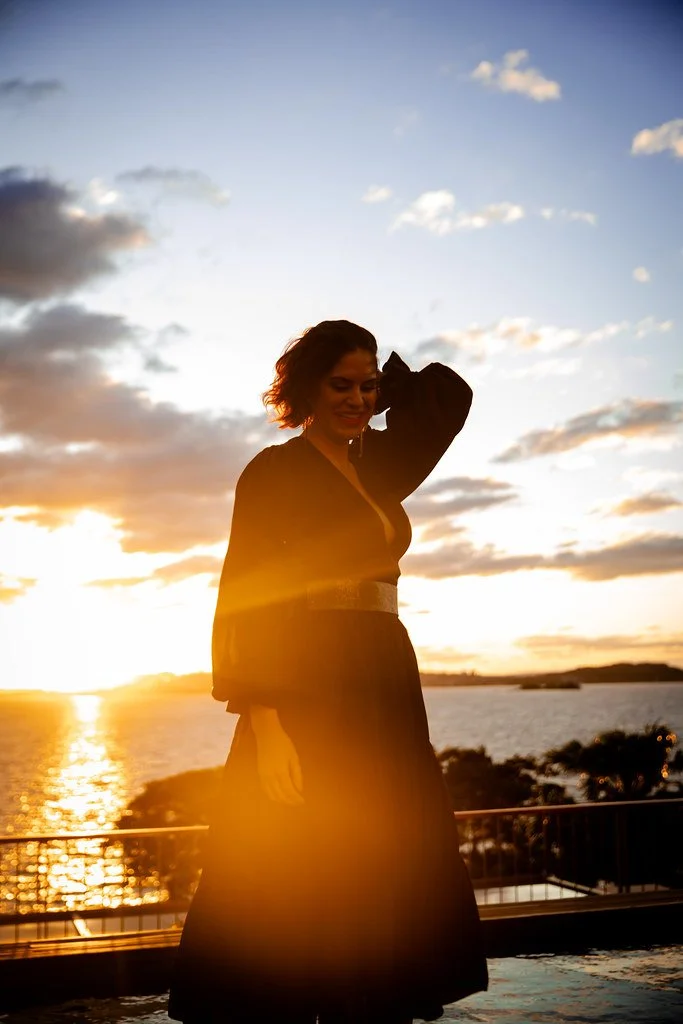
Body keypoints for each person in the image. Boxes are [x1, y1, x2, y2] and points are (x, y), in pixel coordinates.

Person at [168, 320, 488, 1024]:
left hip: (383, 671)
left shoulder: (378, 465)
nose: (356, 398)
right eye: (339, 384)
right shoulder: (273, 471)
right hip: (307, 676)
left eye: (367, 385)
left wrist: (385, 388)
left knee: (381, 834)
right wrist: (267, 722)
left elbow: (449, 398)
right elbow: (246, 597)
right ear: (305, 387)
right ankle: (293, 996)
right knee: (303, 841)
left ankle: (372, 993)